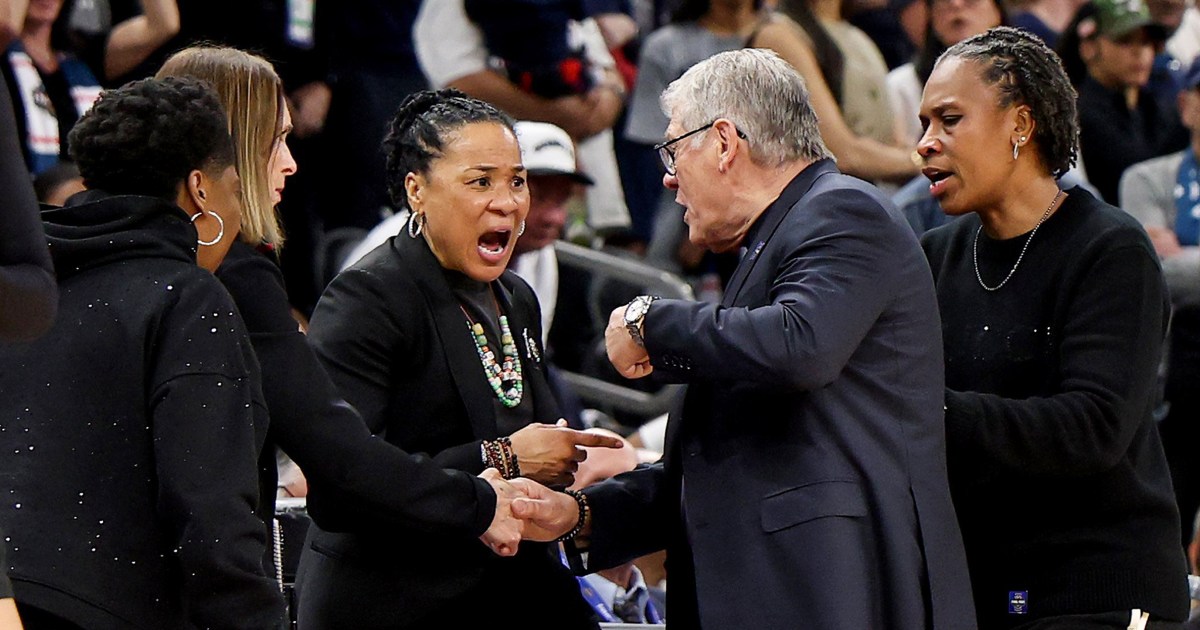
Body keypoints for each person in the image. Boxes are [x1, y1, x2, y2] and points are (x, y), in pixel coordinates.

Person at [512, 48, 976, 629]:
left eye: (675, 148)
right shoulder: (773, 245)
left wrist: (648, 322)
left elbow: (799, 346)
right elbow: (719, 462)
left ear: (725, 142)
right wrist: (581, 515)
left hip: (836, 595)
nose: (668, 174)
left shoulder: (844, 210)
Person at [155, 45, 531, 565]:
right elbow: (337, 458)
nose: (290, 163)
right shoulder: (259, 279)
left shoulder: (96, 254)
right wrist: (485, 488)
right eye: (277, 140)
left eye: (517, 180)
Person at [292, 89, 622, 629]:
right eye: (480, 181)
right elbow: (342, 487)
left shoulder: (517, 295)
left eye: (516, 180)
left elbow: (523, 433)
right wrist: (505, 458)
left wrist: (558, 459)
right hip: (392, 598)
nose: (508, 201)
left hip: (506, 586)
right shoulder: (367, 298)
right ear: (416, 190)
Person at [918, 26, 1189, 629]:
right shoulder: (934, 256)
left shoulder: (1111, 249)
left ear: (1021, 124)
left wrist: (925, 411)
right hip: (984, 590)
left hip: (1099, 591)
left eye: (950, 120)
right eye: (923, 124)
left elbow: (1092, 428)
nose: (925, 145)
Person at [0, 76, 286, 629]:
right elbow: (211, 511)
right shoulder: (189, 299)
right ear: (201, 188)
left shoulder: (21, 296)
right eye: (234, 182)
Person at [1119, 55, 1200, 547]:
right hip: (1180, 370)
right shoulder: (1145, 178)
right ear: (1186, 106)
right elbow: (1154, 273)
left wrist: (1183, 252)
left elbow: (1176, 265)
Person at [0, 0, 179, 174]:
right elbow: (7, 26)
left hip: (84, 192)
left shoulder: (83, 55)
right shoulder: (5, 57)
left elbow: (164, 24)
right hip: (25, 190)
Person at [1058, 0, 1186, 205]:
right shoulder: (1074, 116)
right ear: (1089, 47)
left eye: (1146, 42)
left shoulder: (1160, 108)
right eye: (1125, 41)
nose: (1139, 53)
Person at [569, 429, 665, 625]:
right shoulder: (539, 607)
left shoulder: (675, 606)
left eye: (630, 487)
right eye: (600, 486)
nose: (620, 504)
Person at [887, 0, 1005, 146]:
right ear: (931, 15)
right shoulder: (901, 85)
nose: (956, 5)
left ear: (997, 10)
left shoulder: (1024, 78)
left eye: (971, 2)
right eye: (944, 1)